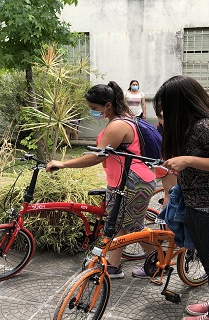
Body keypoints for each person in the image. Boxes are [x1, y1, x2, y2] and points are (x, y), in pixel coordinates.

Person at [46, 81, 156, 279]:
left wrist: (63, 164)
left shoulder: (118, 125)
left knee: (130, 226)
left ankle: (153, 262)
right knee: (122, 225)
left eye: (94, 108)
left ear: (107, 105)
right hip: (122, 181)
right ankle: (123, 265)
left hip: (133, 182)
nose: (92, 112)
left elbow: (98, 157)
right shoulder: (121, 119)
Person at [155, 75, 209, 320]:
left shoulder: (208, 126)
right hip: (203, 200)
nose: (163, 111)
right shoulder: (193, 125)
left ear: (182, 102)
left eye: (166, 105)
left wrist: (189, 161)